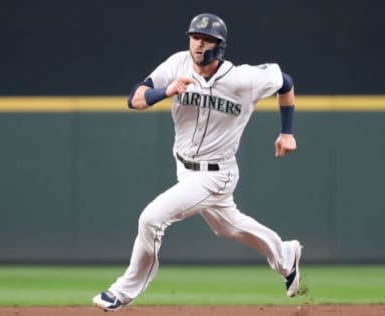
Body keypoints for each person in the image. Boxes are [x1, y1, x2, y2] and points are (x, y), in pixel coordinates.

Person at [92, 13, 302, 311]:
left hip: (216, 174)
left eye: (206, 39)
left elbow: (286, 82)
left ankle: (122, 292)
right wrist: (166, 90)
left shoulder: (243, 79)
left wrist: (287, 132)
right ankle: (284, 256)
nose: (198, 43)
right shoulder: (177, 64)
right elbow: (134, 98)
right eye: (195, 36)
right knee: (228, 227)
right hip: (184, 168)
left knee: (151, 218)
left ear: (219, 45)